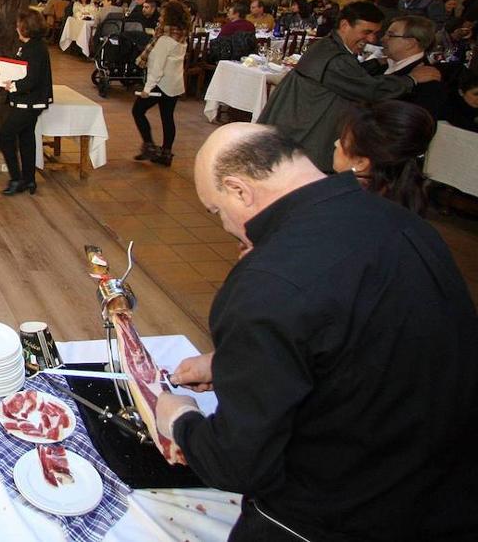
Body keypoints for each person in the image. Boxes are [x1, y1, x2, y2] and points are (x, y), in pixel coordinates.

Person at [157, 123, 477, 542]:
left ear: (238, 190)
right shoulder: (406, 223)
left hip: (334, 512)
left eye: (217, 211)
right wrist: (233, 361)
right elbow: (369, 339)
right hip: (444, 488)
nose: (227, 227)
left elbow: (238, 462)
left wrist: (180, 419)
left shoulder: (267, 280)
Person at [259, 1, 440, 171]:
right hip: (303, 137)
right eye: (367, 31)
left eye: (378, 33)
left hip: (293, 131)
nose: (374, 39)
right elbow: (370, 90)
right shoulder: (336, 59)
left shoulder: (328, 46)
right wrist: (411, 79)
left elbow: (352, 76)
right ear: (345, 26)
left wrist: (376, 64)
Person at [333, 100, 434, 216]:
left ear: (361, 162)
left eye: (342, 141)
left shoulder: (343, 207)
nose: (336, 144)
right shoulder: (405, 200)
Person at [0, 10, 52, 196]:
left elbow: (32, 79)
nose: (16, 28)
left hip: (30, 101)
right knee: (26, 138)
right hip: (27, 101)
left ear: (26, 28)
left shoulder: (35, 49)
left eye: (19, 25)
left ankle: (16, 178)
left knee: (5, 135)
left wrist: (12, 86)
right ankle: (29, 179)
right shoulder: (29, 46)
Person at [132, 1, 189, 167]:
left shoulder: (164, 39)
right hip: (175, 83)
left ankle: (148, 145)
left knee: (138, 110)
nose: (160, 18)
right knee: (167, 117)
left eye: (163, 15)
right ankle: (166, 153)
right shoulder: (181, 35)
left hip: (161, 83)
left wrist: (147, 89)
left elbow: (157, 67)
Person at [377, 14, 446, 116]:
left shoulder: (427, 82)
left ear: (410, 43)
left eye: (390, 35)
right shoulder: (380, 65)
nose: (383, 39)